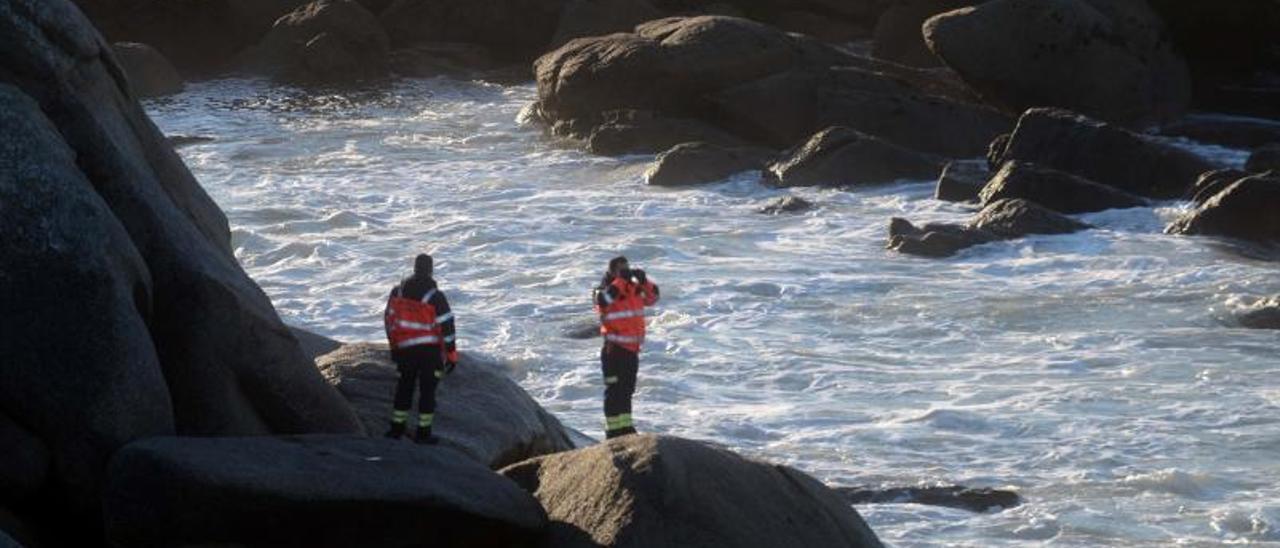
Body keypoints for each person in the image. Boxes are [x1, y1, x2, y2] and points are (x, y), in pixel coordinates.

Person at [383, 253, 457, 444]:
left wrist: (394, 346)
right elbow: (447, 326)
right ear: (430, 270)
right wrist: (451, 354)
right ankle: (423, 433)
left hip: (404, 350)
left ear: (414, 268)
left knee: (404, 388)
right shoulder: (435, 297)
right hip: (429, 352)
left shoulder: (397, 292)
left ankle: (396, 429)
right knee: (427, 392)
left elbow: (389, 319)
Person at [593, 256, 659, 439]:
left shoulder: (633, 289)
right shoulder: (603, 290)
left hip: (631, 350)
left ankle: (626, 427)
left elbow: (654, 298)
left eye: (627, 269)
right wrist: (621, 280)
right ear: (613, 272)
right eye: (622, 270)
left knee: (627, 390)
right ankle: (613, 430)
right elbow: (604, 301)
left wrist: (644, 280)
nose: (626, 272)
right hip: (614, 350)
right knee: (614, 390)